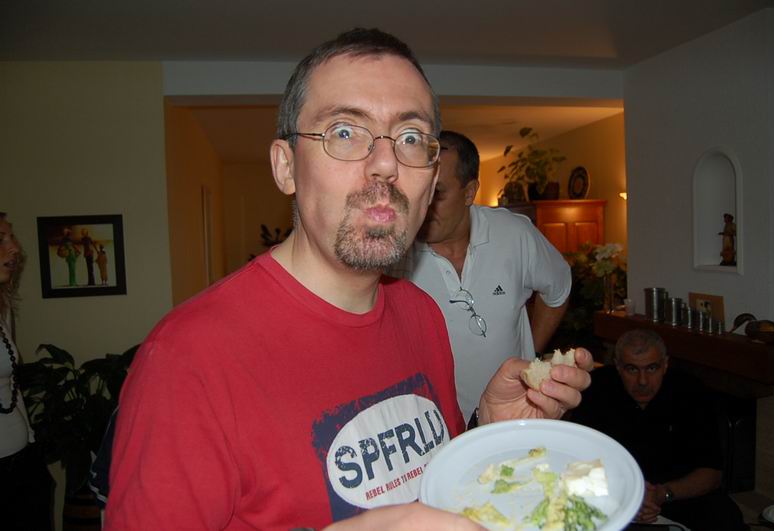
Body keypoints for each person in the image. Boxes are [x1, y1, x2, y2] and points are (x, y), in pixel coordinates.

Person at [105, 28, 593, 530]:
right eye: (344, 131)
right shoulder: (188, 358)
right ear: (286, 167)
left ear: (430, 183)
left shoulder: (421, 313)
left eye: (410, 138)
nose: (385, 164)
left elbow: (432, 489)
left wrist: (488, 431)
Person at [390, 130, 571, 422]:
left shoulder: (514, 234)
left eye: (437, 193)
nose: (423, 204)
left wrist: (530, 355)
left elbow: (559, 289)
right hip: (432, 425)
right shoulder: (393, 251)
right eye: (418, 189)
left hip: (513, 416)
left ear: (469, 192)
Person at [569, 329, 744, 530]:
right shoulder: (595, 389)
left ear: (665, 364)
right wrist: (624, 497)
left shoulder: (691, 392)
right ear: (618, 366)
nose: (643, 381)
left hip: (675, 493)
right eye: (632, 369)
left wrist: (663, 493)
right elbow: (577, 461)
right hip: (613, 493)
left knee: (727, 516)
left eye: (652, 368)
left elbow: (711, 474)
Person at [0, 212, 54, 530]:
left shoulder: (3, 307)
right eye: (1, 239)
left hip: (21, 462)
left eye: (11, 237)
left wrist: (30, 439)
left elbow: (10, 385)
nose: (14, 248)